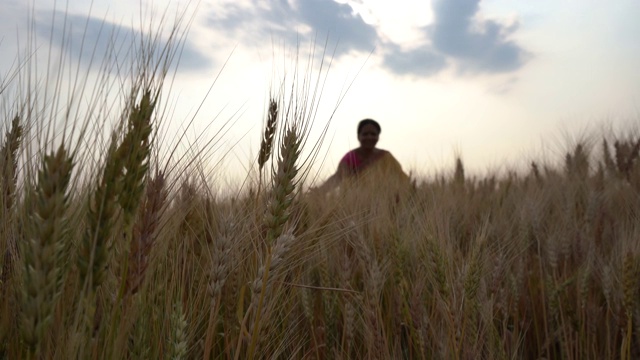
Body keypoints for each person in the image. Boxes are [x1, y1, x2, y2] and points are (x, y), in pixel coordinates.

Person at [314, 119, 410, 193]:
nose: (369, 137)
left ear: (378, 137)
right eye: (365, 134)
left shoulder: (386, 157)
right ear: (358, 136)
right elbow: (338, 177)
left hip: (385, 205)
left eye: (373, 134)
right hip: (353, 205)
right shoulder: (350, 158)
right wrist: (319, 191)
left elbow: (403, 179)